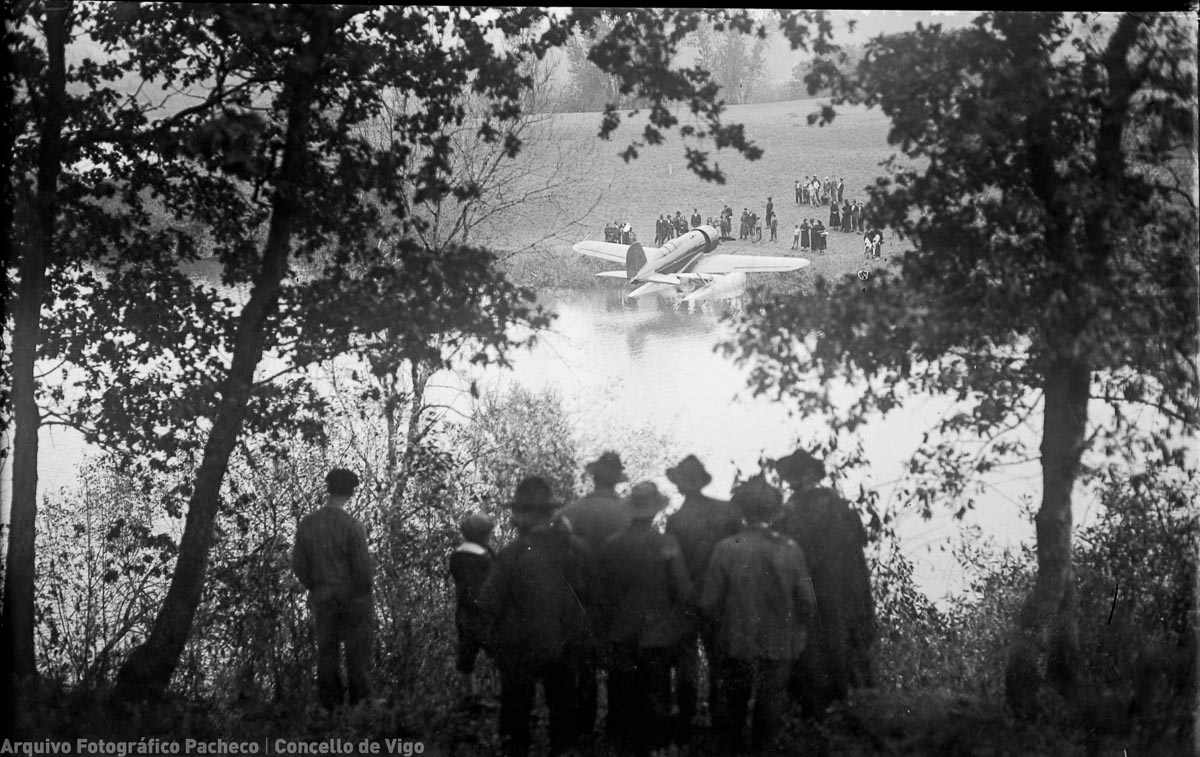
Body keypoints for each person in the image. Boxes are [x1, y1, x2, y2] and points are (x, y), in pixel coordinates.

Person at [702, 476, 816, 753]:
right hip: (778, 646)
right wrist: (796, 635)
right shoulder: (790, 550)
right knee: (769, 716)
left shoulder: (727, 548)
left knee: (732, 715)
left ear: (741, 510)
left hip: (736, 645)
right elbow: (807, 602)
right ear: (775, 511)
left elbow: (708, 603)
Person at [479, 477, 593, 756]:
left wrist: (495, 643)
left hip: (520, 648)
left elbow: (488, 602)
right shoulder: (573, 550)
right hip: (564, 645)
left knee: (515, 718)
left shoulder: (511, 554)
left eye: (518, 512)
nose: (515, 518)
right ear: (549, 513)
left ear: (525, 515)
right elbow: (587, 593)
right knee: (563, 714)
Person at [773, 449, 876, 719]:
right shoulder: (837, 506)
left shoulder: (789, 512)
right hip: (841, 591)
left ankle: (817, 712)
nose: (791, 480)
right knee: (839, 646)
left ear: (806, 475)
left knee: (815, 650)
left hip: (816, 591)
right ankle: (847, 707)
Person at [598, 482, 692, 756]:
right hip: (656, 633)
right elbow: (683, 589)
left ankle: (620, 745)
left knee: (621, 695)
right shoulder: (667, 544)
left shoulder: (611, 545)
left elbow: (602, 591)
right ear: (655, 512)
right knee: (654, 694)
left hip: (620, 631)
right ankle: (652, 744)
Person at [556, 451, 631, 735]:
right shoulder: (629, 513)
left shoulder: (569, 513)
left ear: (594, 477)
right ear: (617, 480)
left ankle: (583, 730)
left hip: (581, 599)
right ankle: (616, 728)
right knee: (621, 666)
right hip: (620, 601)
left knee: (584, 666)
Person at [664, 455, 739, 730]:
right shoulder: (727, 511)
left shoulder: (676, 520)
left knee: (686, 659)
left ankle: (686, 719)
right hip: (721, 596)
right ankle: (720, 722)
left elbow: (672, 564)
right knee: (720, 657)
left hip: (687, 597)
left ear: (680, 486)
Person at [292, 468, 374, 710]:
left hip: (323, 594)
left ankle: (330, 705)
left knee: (326, 650)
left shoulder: (308, 523)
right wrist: (362, 593)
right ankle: (361, 703)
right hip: (353, 597)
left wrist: (315, 586)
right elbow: (362, 568)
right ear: (350, 493)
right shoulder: (352, 526)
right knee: (357, 651)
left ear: (328, 489)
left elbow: (298, 562)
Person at [449, 512, 496, 701]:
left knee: (466, 656)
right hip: (485, 615)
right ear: (483, 535)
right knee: (501, 654)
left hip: (465, 614)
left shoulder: (457, 556)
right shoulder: (485, 557)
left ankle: (470, 695)